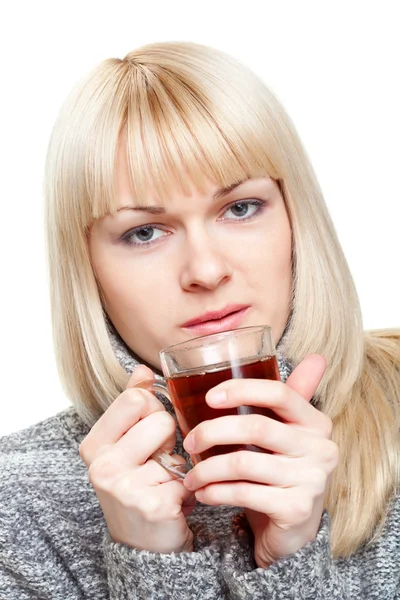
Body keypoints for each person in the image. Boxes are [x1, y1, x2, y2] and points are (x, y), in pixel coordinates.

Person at [0, 41, 399, 600]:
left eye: (240, 207)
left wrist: (293, 558)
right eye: (144, 232)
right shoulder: (15, 505)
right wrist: (152, 564)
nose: (206, 271)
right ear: (86, 267)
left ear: (294, 216)